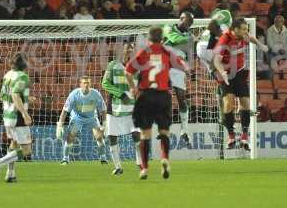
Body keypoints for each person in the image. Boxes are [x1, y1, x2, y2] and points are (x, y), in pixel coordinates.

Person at [125, 26, 189, 180]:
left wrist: (133, 88)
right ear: (162, 39)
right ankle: (165, 158)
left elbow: (127, 71)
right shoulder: (167, 51)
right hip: (163, 96)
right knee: (164, 132)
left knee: (145, 134)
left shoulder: (144, 52)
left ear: (148, 38)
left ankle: (145, 169)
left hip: (146, 95)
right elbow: (184, 66)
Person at [213, 18, 268, 150]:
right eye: (243, 29)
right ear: (235, 29)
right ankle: (231, 136)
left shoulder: (243, 35)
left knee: (245, 103)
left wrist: (261, 45)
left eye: (246, 29)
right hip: (226, 74)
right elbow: (216, 60)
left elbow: (251, 38)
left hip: (240, 72)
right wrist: (223, 73)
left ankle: (244, 137)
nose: (246, 31)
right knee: (229, 103)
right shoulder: (225, 39)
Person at [0, 53, 33, 183]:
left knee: (14, 144)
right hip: (17, 116)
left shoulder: (7, 75)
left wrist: (27, 99)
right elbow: (14, 94)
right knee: (26, 150)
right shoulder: (23, 76)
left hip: (7, 116)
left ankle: (10, 174)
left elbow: (4, 95)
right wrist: (25, 114)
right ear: (24, 64)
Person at [102, 43, 141, 175]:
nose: (130, 51)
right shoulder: (113, 65)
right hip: (114, 106)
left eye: (132, 49)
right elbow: (105, 83)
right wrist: (121, 94)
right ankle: (118, 166)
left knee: (136, 134)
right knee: (112, 137)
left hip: (133, 106)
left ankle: (140, 163)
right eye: (127, 48)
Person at [56, 76, 108, 165]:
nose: (86, 85)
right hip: (77, 117)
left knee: (99, 137)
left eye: (88, 83)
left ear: (90, 84)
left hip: (91, 117)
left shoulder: (96, 94)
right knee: (70, 137)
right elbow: (65, 111)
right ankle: (65, 158)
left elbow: (103, 110)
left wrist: (104, 124)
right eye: (84, 83)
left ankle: (103, 158)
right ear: (80, 84)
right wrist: (60, 125)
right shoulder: (74, 94)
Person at [163, 12, 194, 145]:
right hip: (164, 63)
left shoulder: (189, 34)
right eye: (187, 22)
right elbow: (173, 39)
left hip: (178, 65)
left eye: (190, 24)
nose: (188, 25)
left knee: (181, 97)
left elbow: (188, 52)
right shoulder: (168, 26)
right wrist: (190, 39)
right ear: (181, 19)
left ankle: (185, 130)